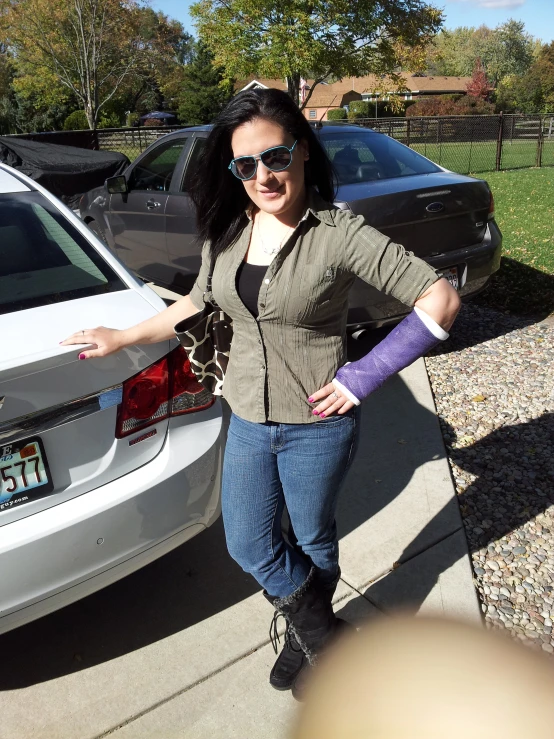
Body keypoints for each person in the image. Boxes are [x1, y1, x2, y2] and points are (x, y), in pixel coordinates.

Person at [61, 88, 460, 699]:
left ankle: (306, 640)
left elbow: (440, 299)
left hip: (318, 425)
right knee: (248, 540)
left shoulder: (338, 232)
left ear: (301, 151)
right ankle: (325, 638)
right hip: (247, 415)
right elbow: (196, 302)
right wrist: (122, 336)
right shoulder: (226, 231)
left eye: (274, 157)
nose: (262, 176)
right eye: (245, 165)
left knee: (312, 539)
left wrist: (362, 377)